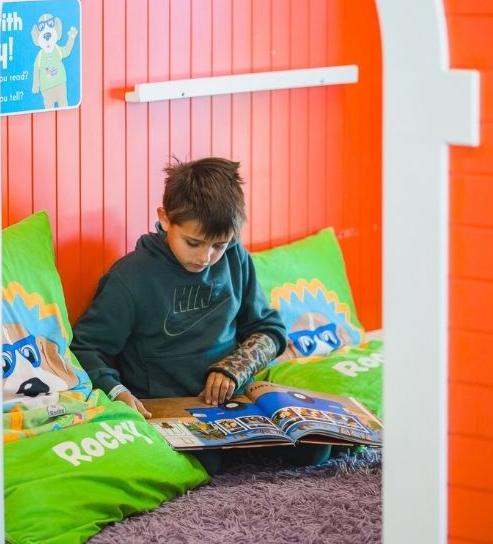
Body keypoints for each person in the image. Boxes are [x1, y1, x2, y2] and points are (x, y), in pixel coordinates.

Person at [70, 157, 330, 473]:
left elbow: (270, 329)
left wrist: (234, 369)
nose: (205, 257)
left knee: (316, 446)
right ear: (165, 219)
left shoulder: (236, 258)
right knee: (204, 462)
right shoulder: (131, 278)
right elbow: (85, 348)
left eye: (218, 245)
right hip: (171, 408)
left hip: (235, 402)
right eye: (193, 243)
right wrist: (116, 392)